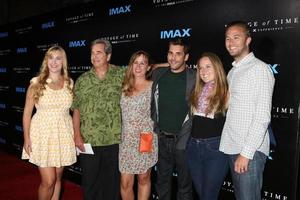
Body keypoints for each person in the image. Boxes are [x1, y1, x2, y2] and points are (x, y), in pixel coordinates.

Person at [219, 21, 275, 200]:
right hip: (233, 146)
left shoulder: (259, 69)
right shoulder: (232, 72)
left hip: (249, 151)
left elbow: (262, 116)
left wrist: (246, 153)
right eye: (228, 38)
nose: (231, 42)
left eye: (236, 37)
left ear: (248, 40)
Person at [72, 39, 125, 200]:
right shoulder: (82, 80)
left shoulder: (121, 74)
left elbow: (146, 69)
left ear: (108, 56)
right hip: (89, 140)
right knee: (90, 183)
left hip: (114, 140)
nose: (94, 56)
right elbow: (76, 110)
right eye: (92, 53)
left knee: (112, 184)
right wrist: (77, 135)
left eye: (99, 52)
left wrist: (170, 65)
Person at [22, 46, 76, 200]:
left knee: (58, 178)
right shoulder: (36, 83)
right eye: (50, 58)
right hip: (42, 134)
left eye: (58, 58)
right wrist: (27, 138)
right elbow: (27, 113)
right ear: (46, 60)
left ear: (63, 61)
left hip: (63, 134)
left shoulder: (69, 83)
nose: (54, 62)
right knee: (49, 181)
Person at [151, 38, 195, 200]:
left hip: (185, 140)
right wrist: (163, 65)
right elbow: (149, 67)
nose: (173, 58)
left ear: (186, 57)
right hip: (162, 139)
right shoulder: (158, 74)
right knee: (162, 183)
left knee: (184, 186)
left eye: (178, 54)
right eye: (170, 53)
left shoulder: (194, 77)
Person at [186, 52, 229, 200]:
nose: (203, 71)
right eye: (200, 68)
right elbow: (176, 66)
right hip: (193, 147)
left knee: (209, 196)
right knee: (201, 193)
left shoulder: (227, 90)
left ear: (217, 67)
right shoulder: (197, 90)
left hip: (215, 149)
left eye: (208, 66)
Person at [119, 50, 158, 200]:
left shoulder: (154, 86)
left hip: (146, 138)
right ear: (131, 65)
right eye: (136, 62)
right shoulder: (123, 86)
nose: (139, 66)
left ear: (149, 67)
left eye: (143, 63)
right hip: (126, 140)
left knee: (143, 178)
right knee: (125, 183)